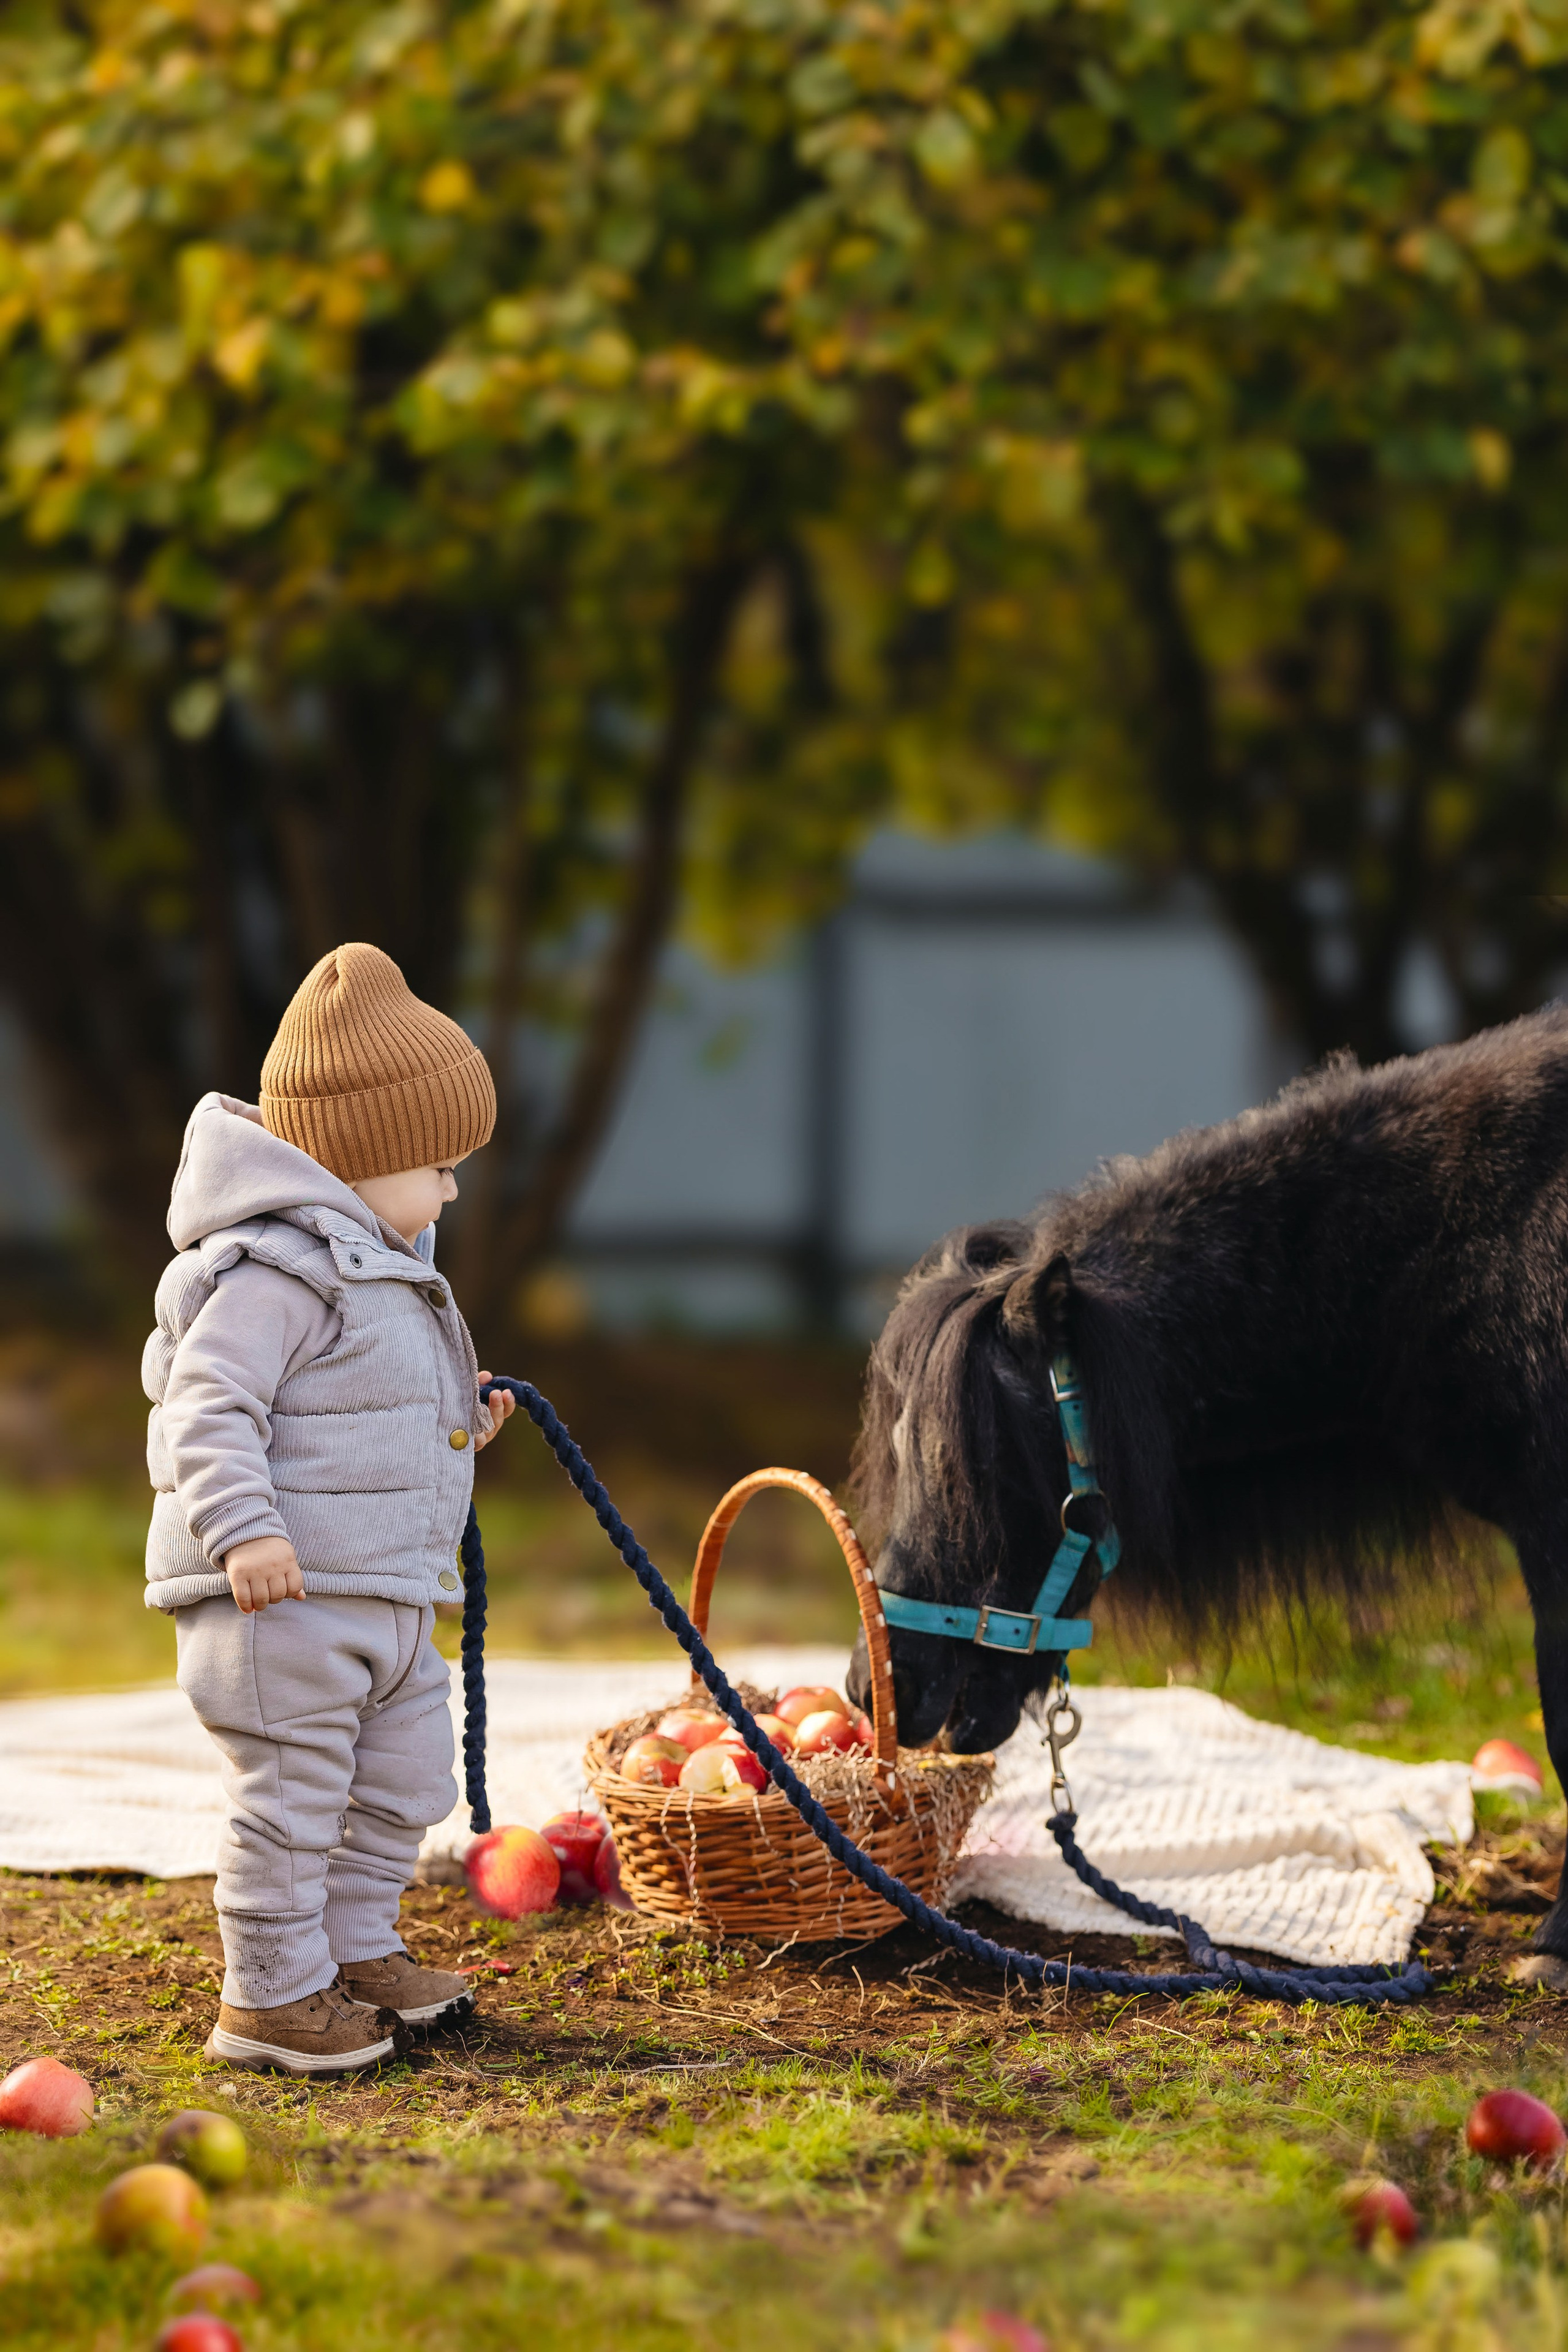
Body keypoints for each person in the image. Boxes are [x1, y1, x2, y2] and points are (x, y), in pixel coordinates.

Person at [142, 943, 517, 2074]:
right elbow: (206, 1407)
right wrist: (242, 1530)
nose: (452, 1187)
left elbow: (362, 1410)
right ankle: (269, 1994)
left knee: (404, 1780)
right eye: (440, 1165)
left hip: (385, 1593)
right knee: (294, 1797)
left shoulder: (375, 1262)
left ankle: (353, 1949)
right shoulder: (272, 1273)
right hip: (286, 1596)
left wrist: (467, 1421)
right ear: (364, 1158)